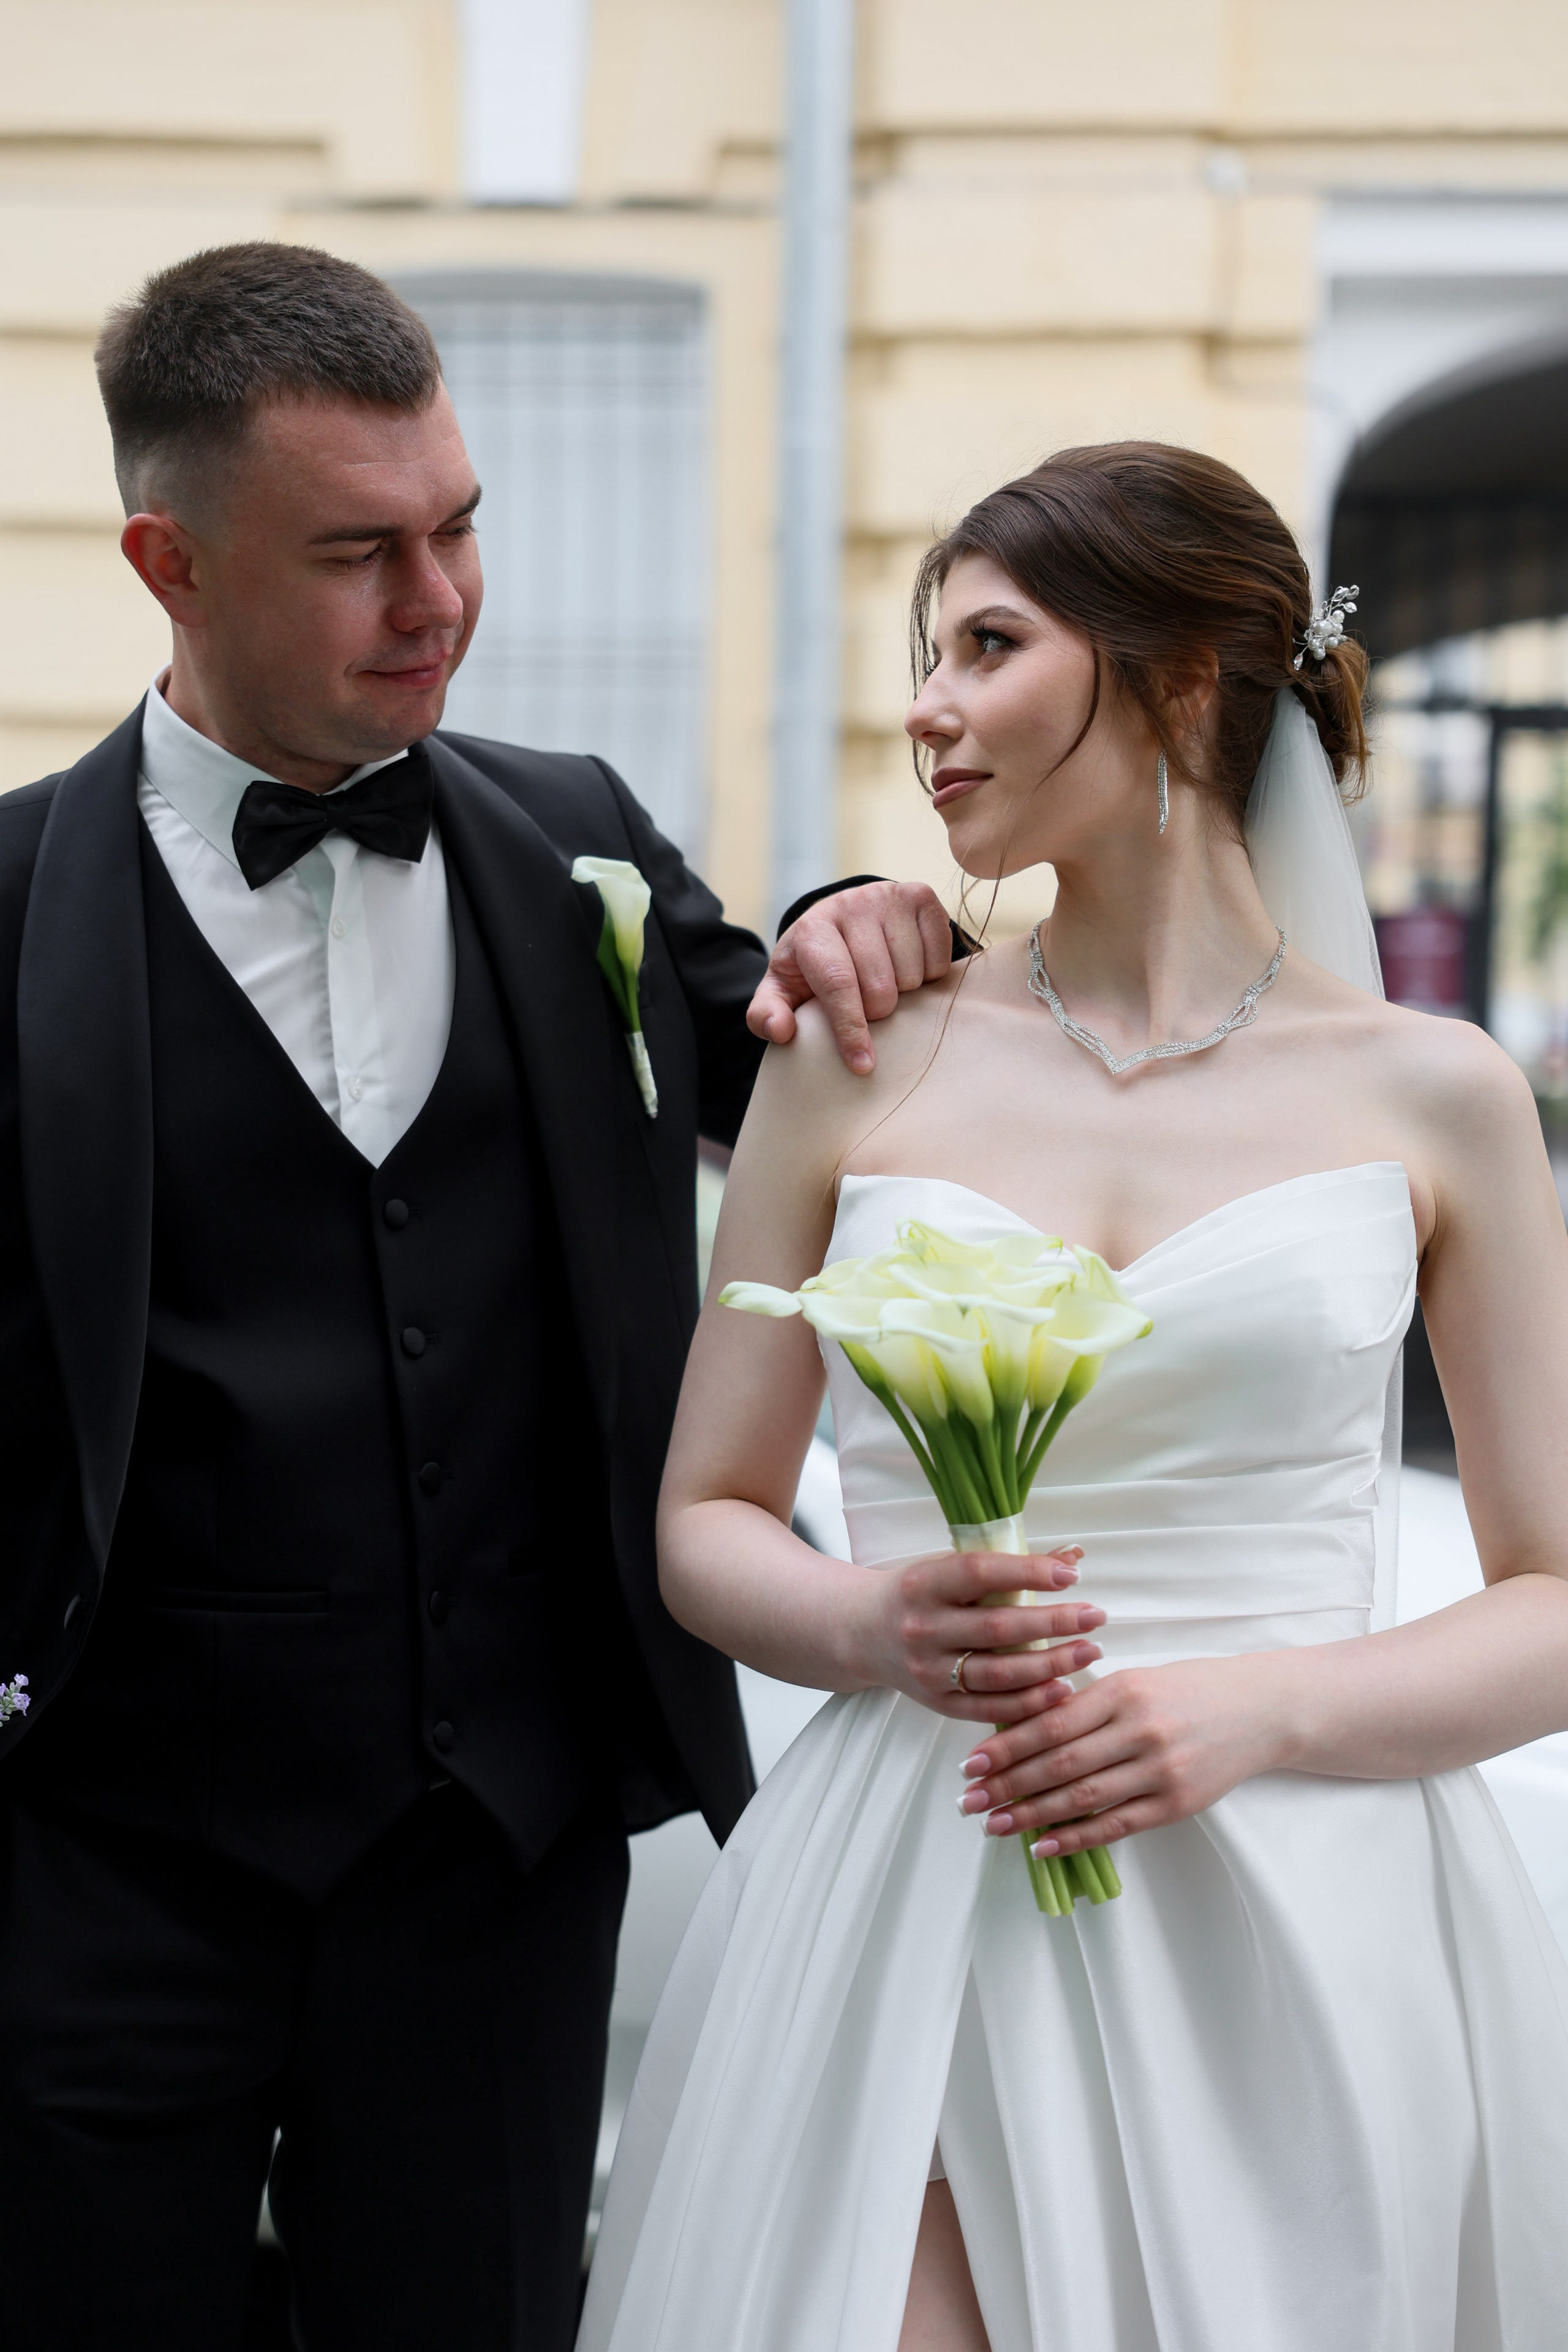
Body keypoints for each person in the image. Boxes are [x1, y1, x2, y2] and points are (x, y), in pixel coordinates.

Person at [0, 239, 958, 2352]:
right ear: (168, 556)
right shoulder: (7, 905)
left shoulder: (571, 845)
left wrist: (858, 915)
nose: (438, 601)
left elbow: (810, 1055)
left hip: (497, 1861)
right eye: (359, 554)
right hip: (98, 1869)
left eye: (459, 530)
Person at [579, 442, 1568, 2352]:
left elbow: (1553, 1600)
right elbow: (707, 1523)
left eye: (989, 644)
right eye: (926, 651)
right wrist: (868, 1619)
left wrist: (1254, 1711)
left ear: (1184, 677)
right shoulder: (857, 1055)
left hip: (1306, 1901)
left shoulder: (1436, 1096)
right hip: (918, 1881)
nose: (929, 707)